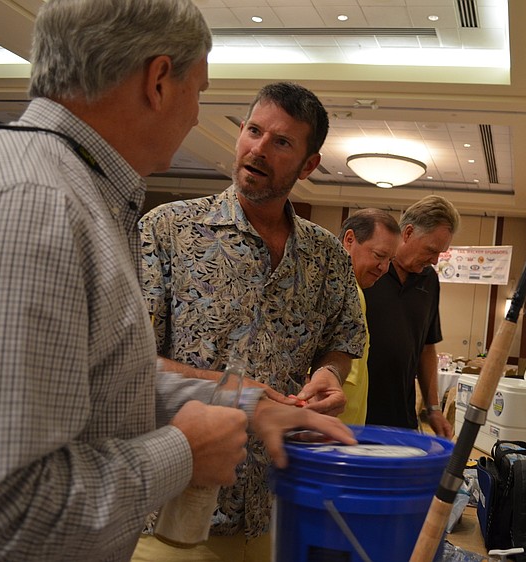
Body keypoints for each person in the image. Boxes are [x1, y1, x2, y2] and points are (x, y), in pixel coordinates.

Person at [0, 2, 355, 560]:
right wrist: (182, 453)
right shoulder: (38, 210)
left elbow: (106, 375)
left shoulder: (69, 194)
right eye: (200, 90)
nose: (197, 117)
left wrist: (247, 408)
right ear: (159, 80)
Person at [136, 81, 366, 560]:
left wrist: (330, 372)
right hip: (168, 512)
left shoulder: (326, 254)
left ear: (308, 165)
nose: (259, 149)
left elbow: (343, 336)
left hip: (271, 507)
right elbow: (131, 365)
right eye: (254, 131)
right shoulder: (167, 229)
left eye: (281, 142)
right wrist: (240, 394)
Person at [364, 194, 460, 438]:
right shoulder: (368, 268)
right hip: (356, 411)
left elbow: (427, 347)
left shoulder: (430, 280)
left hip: (401, 417)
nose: (435, 260)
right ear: (407, 233)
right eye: (431, 249)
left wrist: (434, 408)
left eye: (441, 253)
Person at [337, 208, 402, 425]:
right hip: (329, 433)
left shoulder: (353, 290)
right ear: (349, 240)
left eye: (390, 260)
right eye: (379, 256)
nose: (384, 268)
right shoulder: (340, 289)